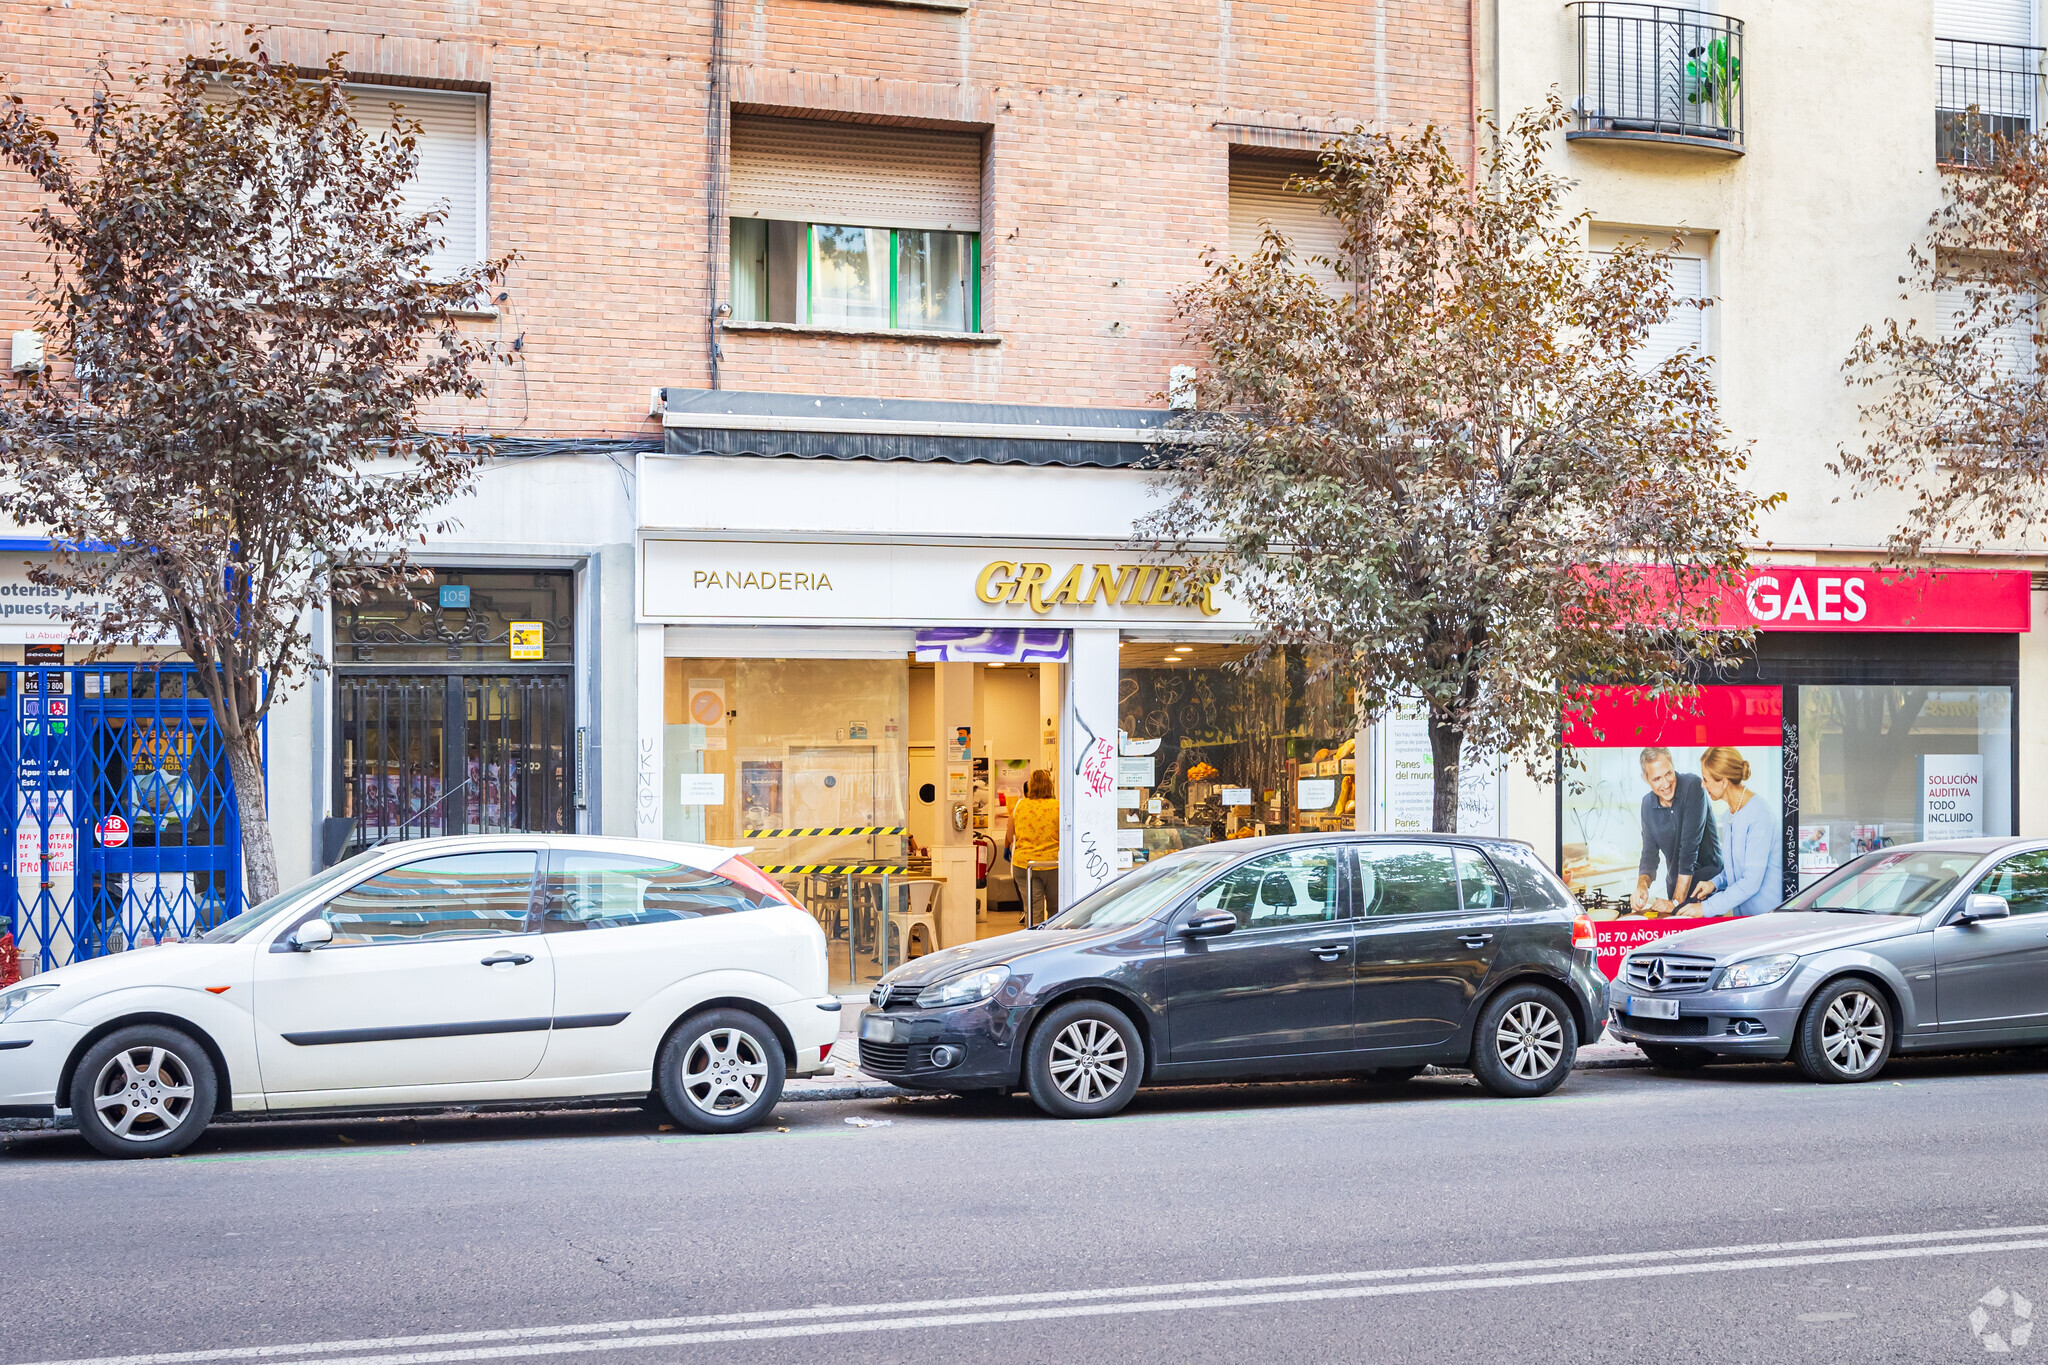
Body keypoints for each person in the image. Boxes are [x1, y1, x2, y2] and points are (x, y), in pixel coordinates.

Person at [1630, 746, 1723, 916]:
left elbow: (1689, 850)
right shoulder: (1647, 804)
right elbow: (1649, 854)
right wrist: (1641, 886)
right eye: (1657, 779)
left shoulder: (1693, 786)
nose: (1665, 784)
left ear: (1673, 765)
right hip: (1675, 891)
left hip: (1707, 890)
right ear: (1645, 778)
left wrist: (1676, 903)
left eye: (1668, 774)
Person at [1691, 747, 1782, 916]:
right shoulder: (1730, 815)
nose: (1703, 785)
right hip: (1745, 919)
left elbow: (1750, 881)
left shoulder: (1759, 814)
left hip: (1766, 919)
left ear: (1724, 782)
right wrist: (1715, 883)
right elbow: (1736, 868)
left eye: (1706, 779)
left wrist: (1706, 908)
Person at [1005, 768, 1060, 923]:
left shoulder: (1020, 806)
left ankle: (1036, 944)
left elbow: (1010, 836)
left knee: (1034, 912)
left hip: (1025, 865)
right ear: (1050, 785)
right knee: (1056, 910)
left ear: (1031, 786)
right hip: (1053, 865)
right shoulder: (1058, 806)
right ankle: (1055, 943)